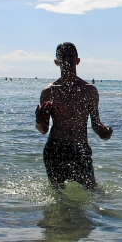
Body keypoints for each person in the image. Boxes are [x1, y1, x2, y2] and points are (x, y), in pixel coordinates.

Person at [35, 42, 113, 190]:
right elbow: (43, 130)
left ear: (78, 60)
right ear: (56, 62)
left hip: (80, 148)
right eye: (63, 56)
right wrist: (39, 121)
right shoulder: (49, 91)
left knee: (92, 191)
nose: (67, 59)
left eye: (71, 55)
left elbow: (95, 124)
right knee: (57, 198)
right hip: (55, 148)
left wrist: (104, 134)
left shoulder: (89, 91)